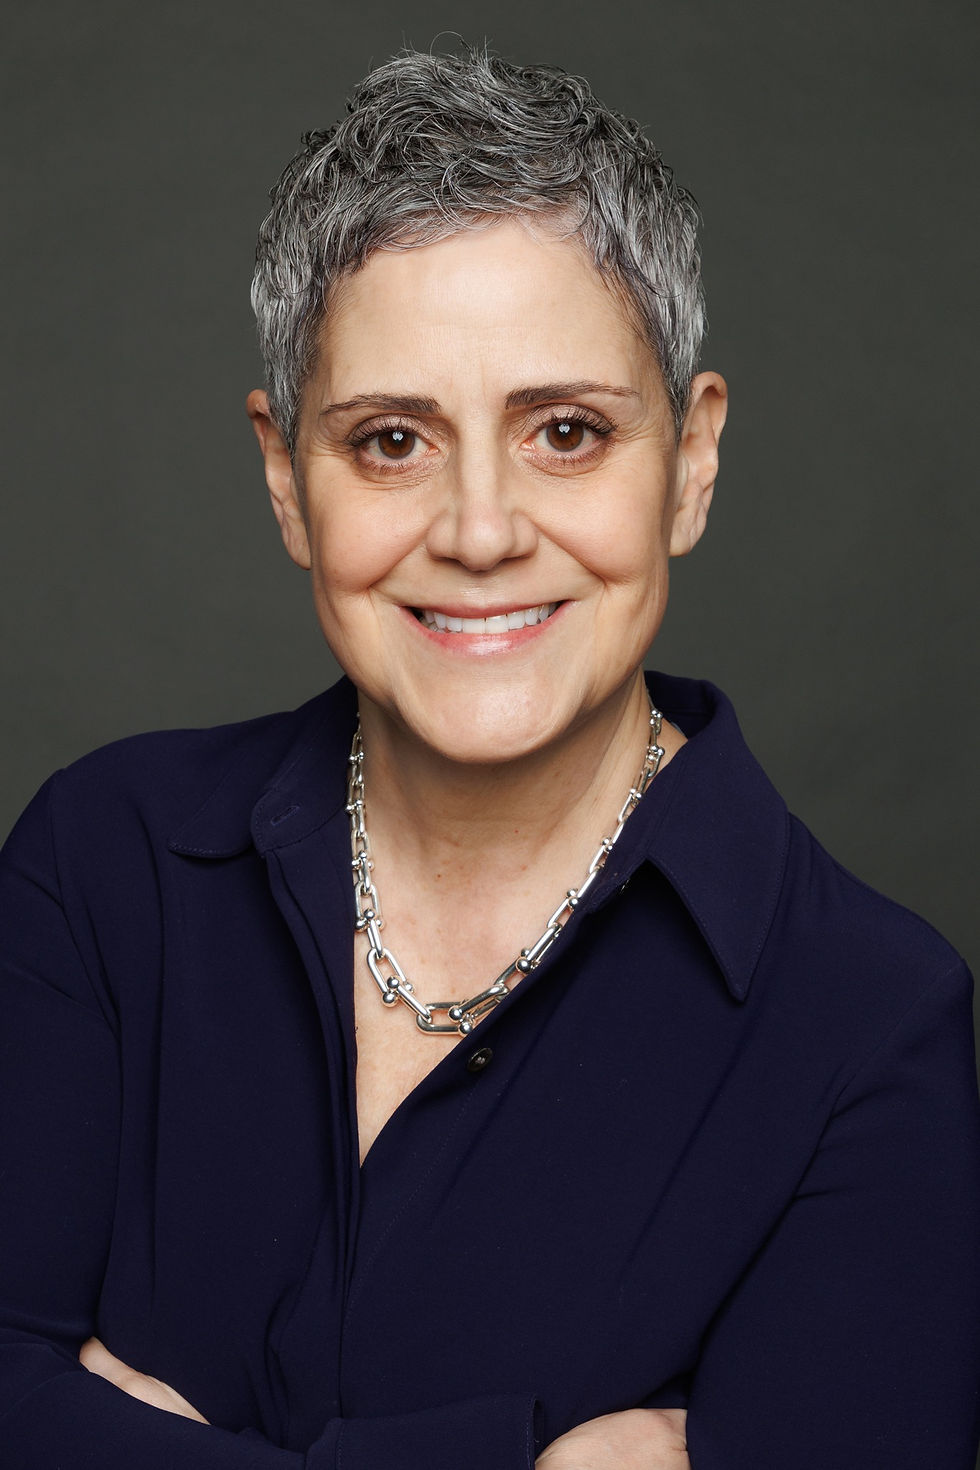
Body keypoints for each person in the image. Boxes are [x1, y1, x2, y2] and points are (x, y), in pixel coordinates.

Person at [1, 42, 978, 1470]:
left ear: (692, 462)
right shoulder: (98, 871)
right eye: (391, 439)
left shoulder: (870, 1029)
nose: (478, 528)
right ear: (288, 479)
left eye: (566, 433)